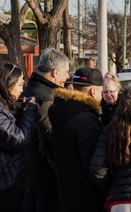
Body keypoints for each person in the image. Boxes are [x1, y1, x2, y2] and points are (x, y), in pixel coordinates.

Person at [0, 62, 39, 211]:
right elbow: (18, 139)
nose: (22, 90)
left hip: (4, 181)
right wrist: (30, 111)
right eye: (19, 85)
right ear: (7, 84)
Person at [48, 67, 105, 212]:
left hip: (66, 192)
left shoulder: (62, 110)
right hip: (86, 197)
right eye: (101, 92)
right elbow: (91, 164)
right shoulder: (87, 119)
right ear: (93, 92)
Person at [22, 48, 70, 212]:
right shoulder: (48, 97)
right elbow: (49, 140)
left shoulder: (28, 90)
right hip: (45, 179)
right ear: (56, 72)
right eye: (66, 72)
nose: (68, 77)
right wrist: (63, 174)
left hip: (28, 176)